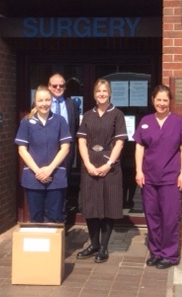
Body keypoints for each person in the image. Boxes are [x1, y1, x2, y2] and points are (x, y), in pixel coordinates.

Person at [134, 85, 182, 269]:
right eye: (158, 100)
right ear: (153, 100)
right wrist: (138, 170)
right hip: (149, 178)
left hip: (170, 179)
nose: (161, 103)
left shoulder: (178, 122)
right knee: (152, 216)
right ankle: (156, 252)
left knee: (169, 218)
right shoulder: (145, 121)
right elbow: (139, 147)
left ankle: (170, 255)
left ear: (170, 101)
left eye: (165, 100)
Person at [76, 79, 127, 263]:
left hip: (109, 165)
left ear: (110, 93)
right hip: (90, 164)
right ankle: (94, 244)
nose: (102, 94)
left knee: (108, 206)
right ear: (94, 94)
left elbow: (120, 142)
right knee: (91, 206)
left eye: (105, 91)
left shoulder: (117, 115)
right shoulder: (88, 115)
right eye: (98, 91)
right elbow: (81, 141)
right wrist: (88, 164)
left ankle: (104, 247)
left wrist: (109, 164)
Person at [15, 85, 72, 223]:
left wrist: (49, 169)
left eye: (47, 100)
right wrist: (38, 171)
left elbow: (65, 148)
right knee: (36, 218)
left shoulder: (60, 121)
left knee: (55, 218)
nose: (44, 104)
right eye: (40, 100)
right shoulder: (27, 122)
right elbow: (22, 149)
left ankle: (54, 246)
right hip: (33, 178)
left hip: (55, 177)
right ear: (35, 101)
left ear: (51, 100)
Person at [48, 73, 81, 220]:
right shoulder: (42, 103)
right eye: (54, 86)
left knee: (62, 183)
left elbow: (75, 128)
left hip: (66, 152)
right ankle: (47, 218)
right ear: (49, 87)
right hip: (46, 151)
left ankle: (60, 218)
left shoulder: (72, 104)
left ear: (65, 87)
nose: (58, 88)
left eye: (61, 85)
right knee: (46, 181)